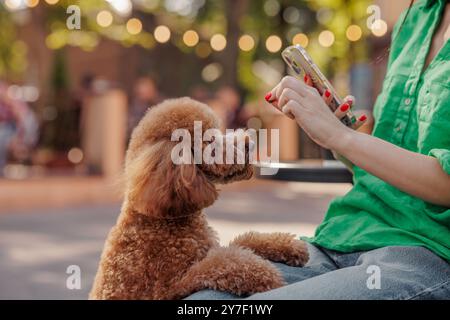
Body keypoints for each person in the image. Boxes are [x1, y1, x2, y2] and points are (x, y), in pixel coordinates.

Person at [187, 0, 450, 300]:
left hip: (424, 255)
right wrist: (331, 133)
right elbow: (386, 166)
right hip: (343, 236)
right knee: (201, 299)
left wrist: (341, 137)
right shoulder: (417, 17)